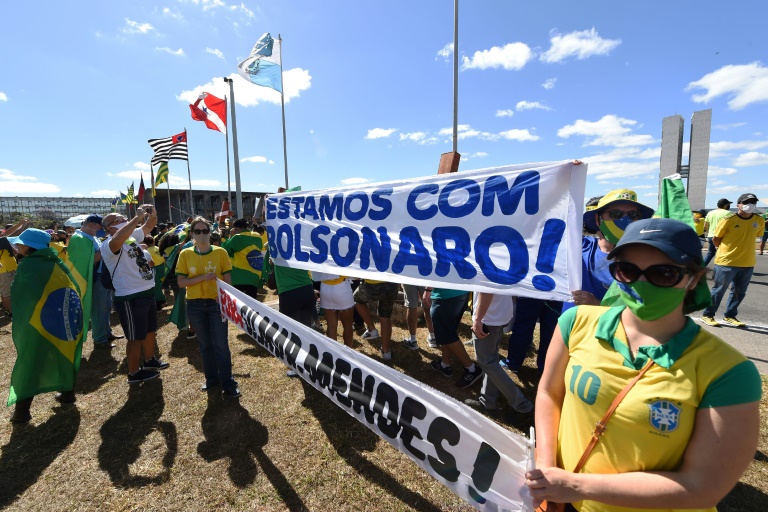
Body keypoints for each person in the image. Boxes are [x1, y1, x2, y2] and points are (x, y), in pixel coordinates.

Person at [527, 218, 761, 511]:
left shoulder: (728, 372)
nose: (641, 283)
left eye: (663, 273)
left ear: (693, 279)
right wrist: (548, 471)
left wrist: (576, 486)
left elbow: (703, 487)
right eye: (627, 270)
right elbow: (550, 393)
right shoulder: (575, 322)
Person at [7, 229, 81, 422]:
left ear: (29, 247)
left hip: (38, 321)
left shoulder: (29, 266)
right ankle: (67, 393)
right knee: (62, 352)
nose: (17, 246)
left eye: (20, 243)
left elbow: (19, 293)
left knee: (31, 360)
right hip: (61, 319)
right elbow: (72, 287)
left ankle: (21, 413)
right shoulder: (56, 261)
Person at [101, 206, 169, 384]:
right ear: (108, 227)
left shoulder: (131, 238)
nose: (122, 218)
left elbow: (148, 226)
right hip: (130, 296)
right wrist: (136, 218)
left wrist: (152, 215)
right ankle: (133, 372)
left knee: (149, 331)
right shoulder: (108, 245)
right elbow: (117, 240)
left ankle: (149, 360)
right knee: (134, 336)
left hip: (146, 291)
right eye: (116, 219)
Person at [176, 217, 240, 397]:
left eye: (205, 231)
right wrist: (202, 278)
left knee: (221, 345)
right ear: (192, 234)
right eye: (198, 231)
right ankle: (211, 380)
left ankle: (228, 383)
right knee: (205, 345)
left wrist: (228, 304)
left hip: (216, 304)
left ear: (210, 233)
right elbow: (181, 282)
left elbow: (228, 282)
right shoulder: (185, 254)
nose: (202, 234)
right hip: (195, 305)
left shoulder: (221, 252)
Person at [465, 292, 533, 425]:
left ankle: (522, 406)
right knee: (491, 359)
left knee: (487, 362)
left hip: (489, 317)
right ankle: (488, 401)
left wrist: (478, 319)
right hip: (498, 314)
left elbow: (487, 290)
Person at [700, 193, 765, 327]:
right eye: (747, 202)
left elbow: (758, 234)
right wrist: (722, 251)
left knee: (739, 292)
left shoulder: (759, 220)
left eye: (753, 202)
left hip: (747, 262)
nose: (750, 205)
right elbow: (716, 238)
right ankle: (708, 315)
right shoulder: (729, 219)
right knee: (718, 291)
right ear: (738, 205)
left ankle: (730, 315)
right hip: (726, 262)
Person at [424, 287, 483, 388]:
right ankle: (445, 363)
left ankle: (472, 369)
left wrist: (428, 289)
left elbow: (436, 271)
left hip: (446, 295)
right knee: (448, 331)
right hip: (460, 292)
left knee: (445, 332)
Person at [353, 279, 400, 359]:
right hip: (392, 283)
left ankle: (372, 329)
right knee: (385, 315)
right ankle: (386, 352)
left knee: (356, 298)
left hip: (372, 283)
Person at [221, 218, 264, 299]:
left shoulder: (237, 238)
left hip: (239, 276)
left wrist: (231, 236)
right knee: (252, 303)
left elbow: (224, 249)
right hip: (254, 275)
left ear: (237, 228)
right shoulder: (257, 236)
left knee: (239, 303)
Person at [0, 218, 30, 316]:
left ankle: (11, 310)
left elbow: (12, 233)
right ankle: (11, 313)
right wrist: (20, 223)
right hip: (5, 271)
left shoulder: (3, 241)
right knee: (6, 294)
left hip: (11, 269)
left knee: (10, 292)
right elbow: (9, 233)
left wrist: (22, 224)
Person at [319, 274, 355, 347]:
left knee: (331, 326)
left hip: (325, 287)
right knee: (348, 325)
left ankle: (333, 354)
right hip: (342, 286)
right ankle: (348, 353)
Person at [401, 284, 436, 350]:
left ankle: (412, 340)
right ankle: (433, 337)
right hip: (425, 276)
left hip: (410, 276)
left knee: (411, 305)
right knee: (428, 304)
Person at [702, 198, 731, 267]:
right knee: (722, 255)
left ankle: (701, 267)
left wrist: (710, 232)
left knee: (710, 253)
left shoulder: (710, 213)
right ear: (725, 205)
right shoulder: (728, 213)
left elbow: (705, 226)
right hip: (722, 236)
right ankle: (719, 269)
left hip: (711, 236)